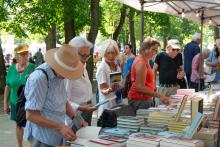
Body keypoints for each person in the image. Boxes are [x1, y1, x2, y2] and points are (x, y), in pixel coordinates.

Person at [24, 44, 86, 147]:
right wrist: (60, 127)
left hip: (56, 135)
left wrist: (77, 119)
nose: (68, 77)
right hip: (42, 137)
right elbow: (31, 115)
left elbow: (64, 101)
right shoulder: (38, 79)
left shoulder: (59, 75)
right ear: (58, 65)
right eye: (66, 72)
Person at [4, 44, 36, 147]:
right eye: (22, 54)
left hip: (30, 103)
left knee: (31, 125)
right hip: (15, 102)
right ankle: (20, 145)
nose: (26, 56)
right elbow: (8, 86)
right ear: (16, 56)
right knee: (18, 125)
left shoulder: (33, 67)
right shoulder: (12, 69)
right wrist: (5, 103)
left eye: (27, 54)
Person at [128, 38, 170, 113]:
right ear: (145, 48)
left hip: (144, 100)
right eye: (153, 49)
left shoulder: (145, 61)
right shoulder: (141, 63)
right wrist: (160, 96)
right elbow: (140, 88)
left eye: (156, 50)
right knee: (143, 124)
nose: (155, 52)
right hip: (139, 100)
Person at [65, 36, 97, 126]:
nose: (85, 59)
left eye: (88, 56)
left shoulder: (83, 67)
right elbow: (63, 100)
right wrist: (81, 107)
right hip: (73, 116)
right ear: (73, 53)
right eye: (83, 55)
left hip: (85, 111)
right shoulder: (68, 72)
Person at [153, 39, 185, 106]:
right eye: (174, 49)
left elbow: (181, 69)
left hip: (175, 88)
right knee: (160, 109)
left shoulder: (179, 56)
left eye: (178, 50)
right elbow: (154, 70)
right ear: (168, 48)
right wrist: (153, 84)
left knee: (174, 109)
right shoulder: (160, 56)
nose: (176, 52)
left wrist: (182, 73)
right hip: (163, 88)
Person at [96, 39, 121, 118]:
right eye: (108, 53)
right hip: (105, 105)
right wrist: (111, 89)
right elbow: (103, 90)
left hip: (115, 102)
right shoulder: (102, 68)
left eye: (113, 53)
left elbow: (117, 84)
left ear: (116, 53)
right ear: (104, 54)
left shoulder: (116, 67)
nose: (111, 56)